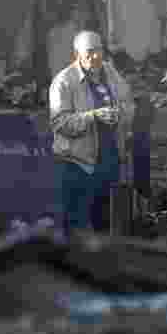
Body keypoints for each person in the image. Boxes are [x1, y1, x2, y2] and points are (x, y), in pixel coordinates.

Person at [49, 30, 134, 236]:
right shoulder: (63, 82)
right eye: (89, 52)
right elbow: (60, 123)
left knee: (106, 225)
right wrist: (93, 116)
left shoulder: (110, 72)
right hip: (78, 165)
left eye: (99, 50)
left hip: (108, 162)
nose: (95, 56)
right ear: (77, 55)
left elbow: (128, 104)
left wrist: (119, 114)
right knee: (76, 228)